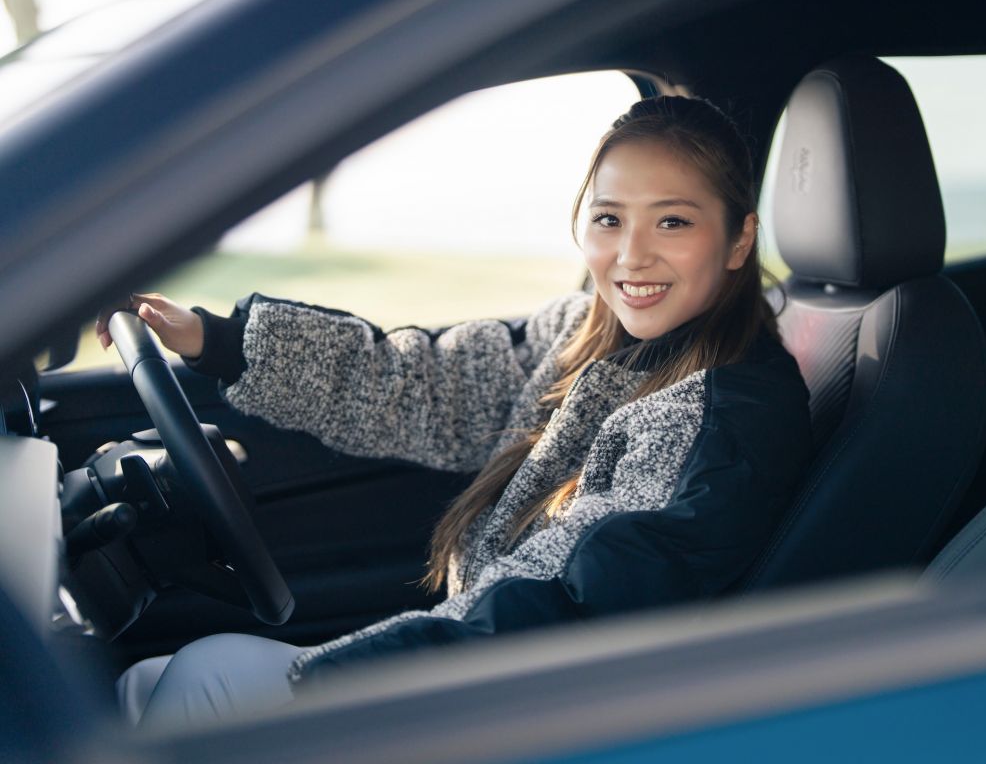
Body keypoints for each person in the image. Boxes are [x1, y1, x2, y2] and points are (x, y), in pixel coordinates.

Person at [98, 95, 814, 729]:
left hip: (527, 707)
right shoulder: (585, 335)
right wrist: (215, 341)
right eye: (608, 219)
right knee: (139, 687)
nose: (631, 255)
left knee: (202, 676)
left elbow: (567, 605)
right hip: (473, 661)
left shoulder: (715, 421)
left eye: (673, 222)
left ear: (739, 239)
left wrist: (333, 680)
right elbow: (423, 385)